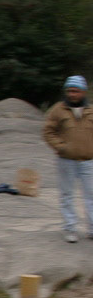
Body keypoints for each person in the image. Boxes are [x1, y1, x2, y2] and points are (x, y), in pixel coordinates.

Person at [42, 75, 93, 242]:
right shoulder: (58, 110)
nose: (72, 94)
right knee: (67, 195)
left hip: (88, 160)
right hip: (66, 160)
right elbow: (48, 132)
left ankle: (92, 229)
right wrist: (61, 147)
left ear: (83, 92)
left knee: (91, 195)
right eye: (69, 91)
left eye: (76, 91)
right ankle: (70, 228)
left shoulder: (91, 110)